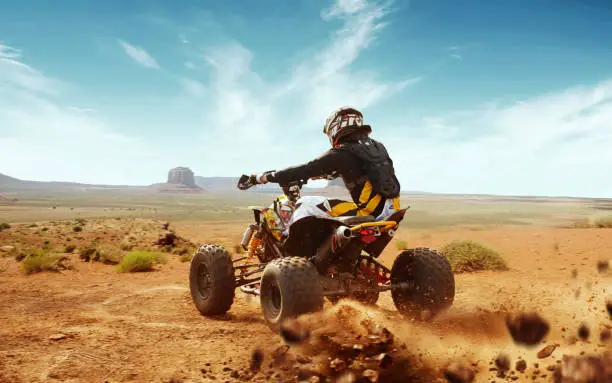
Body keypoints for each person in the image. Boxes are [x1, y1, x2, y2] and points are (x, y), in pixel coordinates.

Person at [240, 107, 402, 222]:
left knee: (305, 204)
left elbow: (305, 169)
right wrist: (318, 176)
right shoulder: (376, 147)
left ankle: (297, 254)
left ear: (336, 127)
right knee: (326, 208)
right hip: (392, 211)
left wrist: (263, 177)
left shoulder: (341, 152)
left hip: (368, 213)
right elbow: (353, 171)